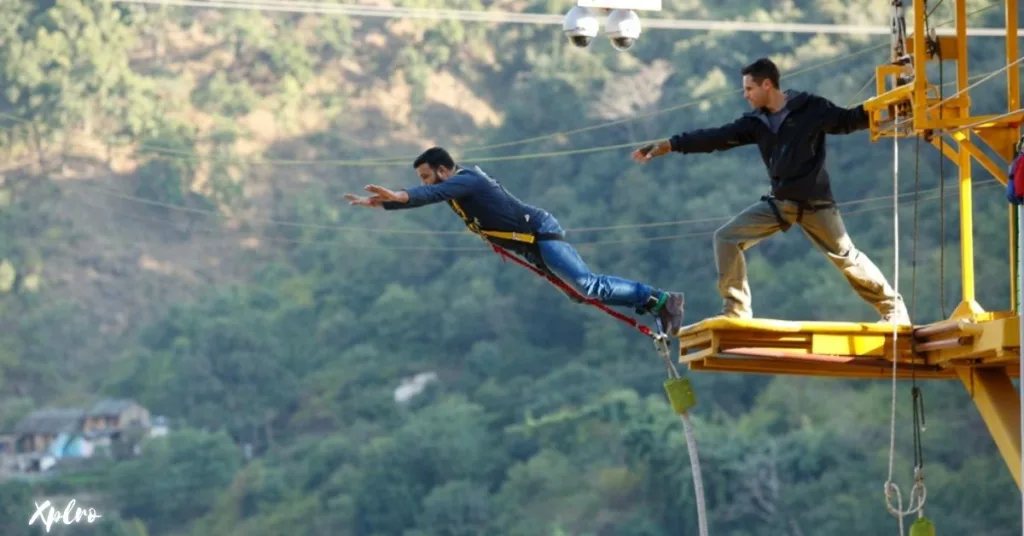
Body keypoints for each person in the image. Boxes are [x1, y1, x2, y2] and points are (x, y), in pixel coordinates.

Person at [631, 57, 911, 324]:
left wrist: (889, 104)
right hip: (780, 204)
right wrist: (671, 144)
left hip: (816, 203)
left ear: (768, 85)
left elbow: (848, 120)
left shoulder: (810, 108)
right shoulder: (756, 123)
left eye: (749, 88)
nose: (746, 95)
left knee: (847, 257)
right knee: (726, 238)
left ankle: (894, 310)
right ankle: (736, 311)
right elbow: (715, 137)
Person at [344, 146, 687, 334]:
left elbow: (429, 195)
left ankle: (661, 299)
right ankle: (652, 305)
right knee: (579, 296)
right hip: (531, 244)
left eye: (426, 177)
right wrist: (386, 202)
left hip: (539, 233)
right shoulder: (453, 189)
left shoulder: (467, 180)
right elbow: (430, 196)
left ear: (444, 170)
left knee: (588, 286)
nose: (426, 183)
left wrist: (400, 195)